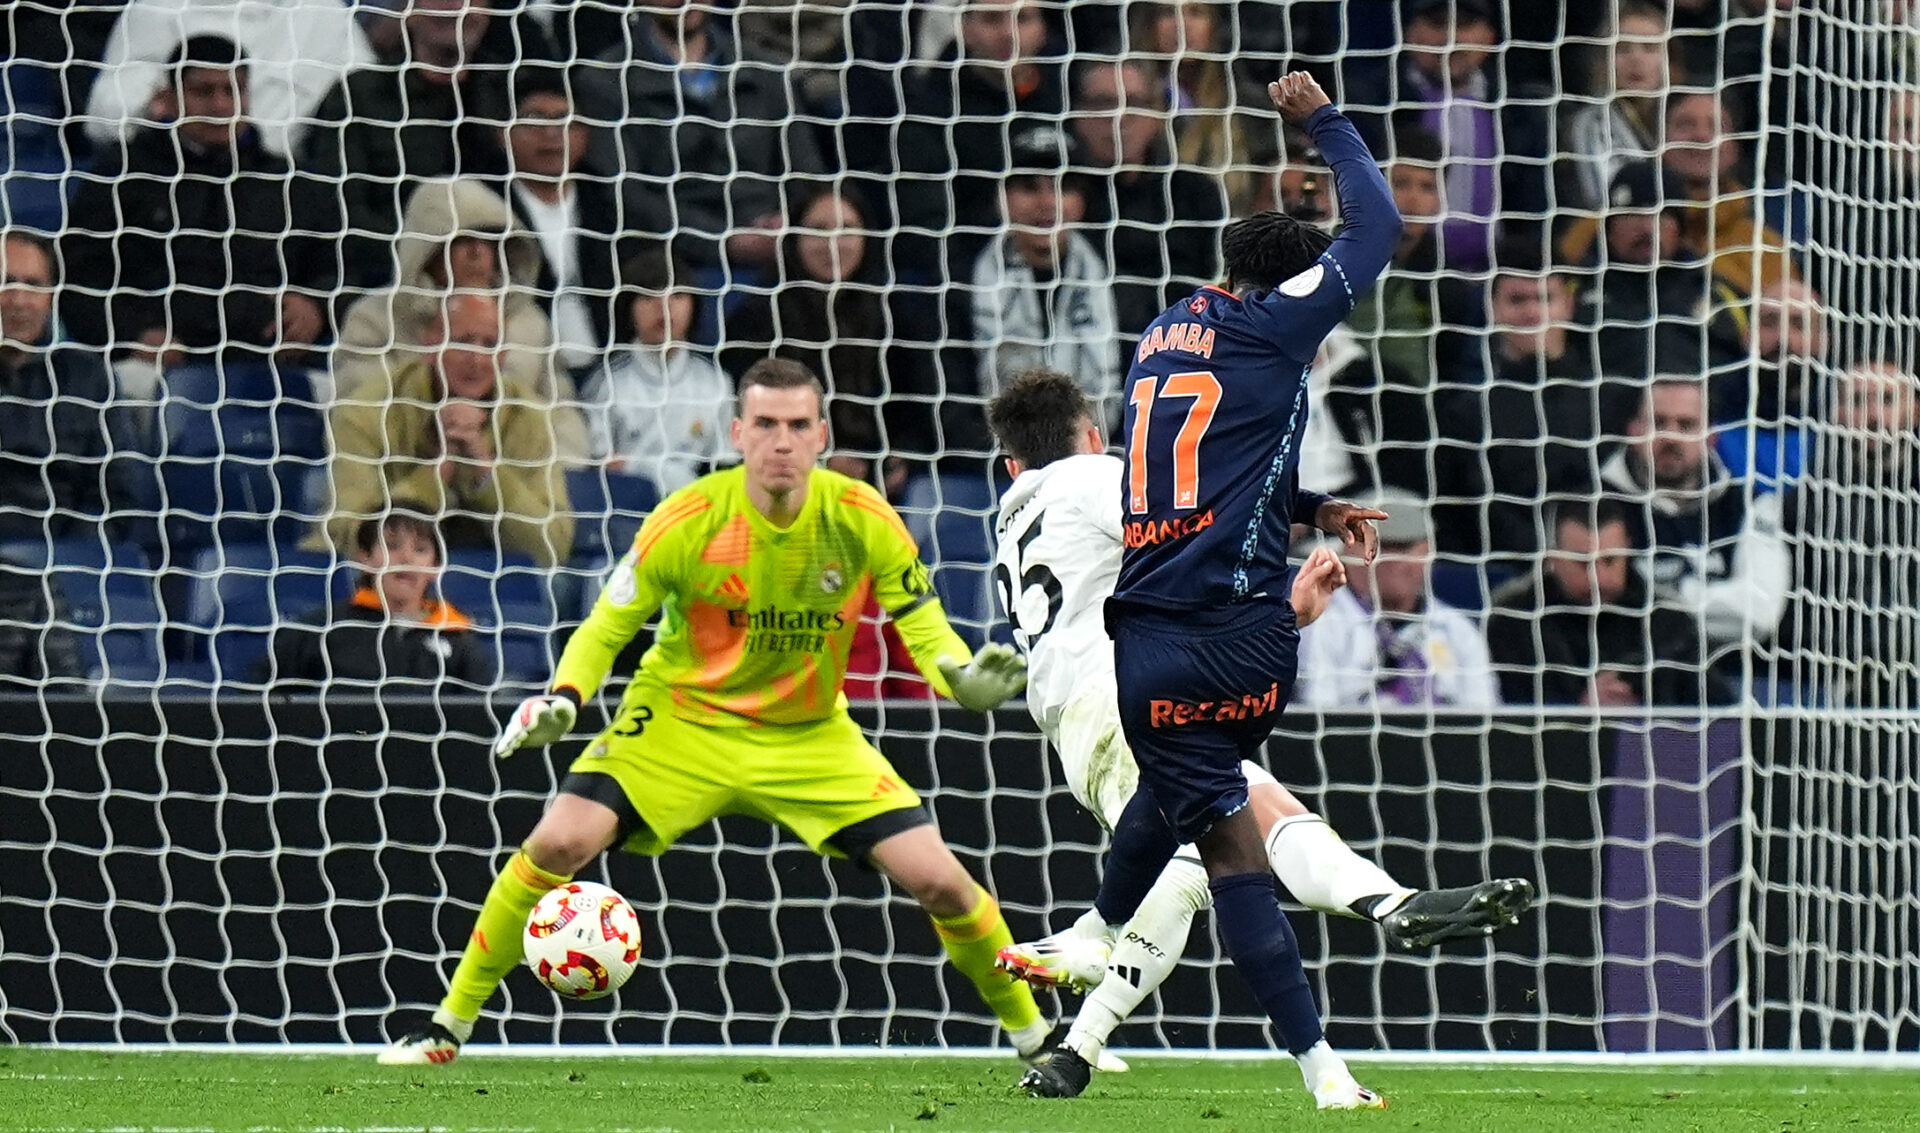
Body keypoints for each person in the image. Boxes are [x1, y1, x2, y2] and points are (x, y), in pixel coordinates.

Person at [379, 359, 1047, 1066]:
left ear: (821, 434)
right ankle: (445, 1026)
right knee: (556, 843)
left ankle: (1039, 1037)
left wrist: (963, 680)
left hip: (809, 733)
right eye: (765, 424)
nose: (781, 442)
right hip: (679, 719)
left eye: (796, 425)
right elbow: (605, 625)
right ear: (737, 432)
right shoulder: (689, 517)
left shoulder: (862, 517)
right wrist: (563, 698)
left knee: (943, 880)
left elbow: (927, 630)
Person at [1003, 73, 1406, 1110]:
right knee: (1230, 836)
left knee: (1209, 824)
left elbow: (1184, 473)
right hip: (1235, 629)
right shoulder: (1279, 330)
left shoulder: (1158, 338)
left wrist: (1311, 504)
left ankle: (1125, 972)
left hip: (1142, 641)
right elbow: (1381, 223)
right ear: (1295, 288)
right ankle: (1377, 910)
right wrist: (1322, 121)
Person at [985, 371, 1528, 1093]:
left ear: (1010, 465)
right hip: (1125, 696)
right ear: (1095, 438)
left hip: (1078, 730)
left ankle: (1083, 1042)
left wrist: (1308, 517)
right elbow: (1198, 526)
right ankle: (1380, 906)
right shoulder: (1093, 478)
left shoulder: (1013, 514)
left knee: (1208, 859)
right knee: (1224, 850)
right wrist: (1288, 587)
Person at [61, 35, 343, 368]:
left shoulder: (290, 182)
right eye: (203, 91)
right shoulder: (121, 176)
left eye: (232, 90)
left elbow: (339, 267)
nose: (221, 106)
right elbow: (79, 278)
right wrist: (133, 335)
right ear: (168, 99)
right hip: (151, 364)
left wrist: (317, 306)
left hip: (275, 363)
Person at [324, 292, 577, 567]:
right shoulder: (366, 410)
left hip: (493, 574)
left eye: (489, 344)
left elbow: (553, 547)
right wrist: (437, 474)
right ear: (430, 345)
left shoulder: (529, 416)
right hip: (388, 577)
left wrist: (484, 468)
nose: (477, 358)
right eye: (463, 341)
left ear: (503, 356)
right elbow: (347, 535)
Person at [301, 0, 514, 291]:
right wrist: (425, 259)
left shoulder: (513, 95)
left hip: (503, 280)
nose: (457, 7)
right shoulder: (358, 96)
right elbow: (339, 208)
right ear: (408, 11)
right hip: (386, 287)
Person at [1600, 376, 1788, 684]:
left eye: (1686, 425)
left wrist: (1673, 600)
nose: (1671, 437)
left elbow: (1760, 610)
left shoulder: (1750, 504)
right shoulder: (1595, 502)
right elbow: (1602, 614)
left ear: (1711, 437)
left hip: (1729, 684)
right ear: (1633, 430)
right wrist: (1716, 603)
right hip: (1625, 683)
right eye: (1659, 423)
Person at [331, 177, 559, 406]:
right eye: (461, 239)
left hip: (516, 442)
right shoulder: (373, 319)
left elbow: (562, 414)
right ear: (425, 251)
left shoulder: (532, 325)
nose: (476, 252)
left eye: (487, 240)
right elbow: (361, 412)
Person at [1485, 496, 1724, 708]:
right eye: (1582, 563)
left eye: (1609, 561)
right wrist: (1579, 710)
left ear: (1627, 551)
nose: (1597, 578)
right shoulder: (1513, 619)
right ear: (1553, 560)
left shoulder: (1667, 618)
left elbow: (1718, 712)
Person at [971, 123, 1121, 422]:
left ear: (1081, 202)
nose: (1047, 203)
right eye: (1028, 187)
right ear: (1002, 199)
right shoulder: (962, 286)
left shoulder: (1118, 283)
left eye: (1062, 188)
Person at [1295, 490, 1500, 708]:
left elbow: (1483, 714)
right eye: (1380, 547)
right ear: (1348, 549)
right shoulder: (1320, 624)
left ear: (1427, 551)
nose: (1393, 561)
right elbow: (1317, 714)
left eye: (1404, 547)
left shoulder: (1456, 630)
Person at [0, 230, 141, 545]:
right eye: (6, 283)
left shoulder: (88, 377)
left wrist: (69, 559)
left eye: (33, 285)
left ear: (50, 296)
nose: (19, 300)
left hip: (67, 566)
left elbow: (115, 493)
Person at [264, 507, 491, 687]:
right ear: (365, 559)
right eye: (392, 546)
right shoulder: (323, 628)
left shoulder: (458, 638)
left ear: (436, 567)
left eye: (420, 550)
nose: (406, 558)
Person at [578, 246, 733, 493]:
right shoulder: (607, 382)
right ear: (628, 309)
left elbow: (726, 464)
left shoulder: (716, 383)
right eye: (648, 297)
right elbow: (599, 465)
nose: (664, 307)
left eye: (678, 295)